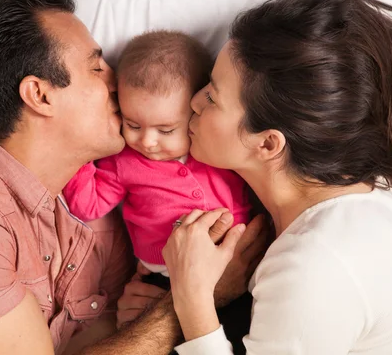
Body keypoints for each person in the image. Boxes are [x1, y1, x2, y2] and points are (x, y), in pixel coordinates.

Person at [0, 0, 266, 355]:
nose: (117, 79)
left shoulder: (104, 216)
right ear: (40, 95)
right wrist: (196, 299)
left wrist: (141, 312)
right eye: (96, 67)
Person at [162, 0, 392, 354]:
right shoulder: (366, 189)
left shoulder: (316, 264)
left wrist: (190, 300)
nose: (193, 101)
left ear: (268, 143)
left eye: (212, 95)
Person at [63, 30, 251, 279]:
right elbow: (88, 206)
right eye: (133, 125)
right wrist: (81, 153)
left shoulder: (216, 147)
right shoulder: (123, 161)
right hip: (164, 273)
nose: (147, 141)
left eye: (166, 130)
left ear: (198, 111)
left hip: (239, 256)